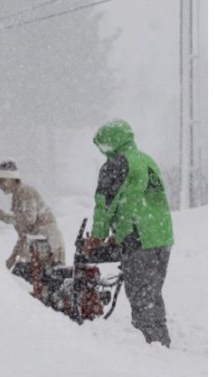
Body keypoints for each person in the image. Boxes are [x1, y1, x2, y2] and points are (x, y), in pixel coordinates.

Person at [84, 119, 174, 347]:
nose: (103, 152)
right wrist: (121, 232)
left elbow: (104, 205)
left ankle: (152, 349)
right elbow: (137, 199)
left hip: (139, 238)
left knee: (142, 298)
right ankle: (160, 342)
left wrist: (97, 237)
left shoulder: (116, 164)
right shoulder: (146, 160)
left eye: (104, 145)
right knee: (151, 294)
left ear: (113, 141)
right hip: (161, 237)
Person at [0, 160, 65, 271]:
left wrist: (3, 216)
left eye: (1, 181)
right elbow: (24, 233)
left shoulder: (26, 192)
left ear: (12, 179)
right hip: (38, 245)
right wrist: (13, 256)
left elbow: (29, 220)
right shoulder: (16, 197)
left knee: (25, 275)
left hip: (47, 243)